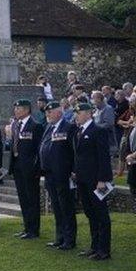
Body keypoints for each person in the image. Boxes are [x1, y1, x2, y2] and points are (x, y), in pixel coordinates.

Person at [72, 103, 113, 260]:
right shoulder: (79, 131)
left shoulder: (98, 131)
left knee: (101, 214)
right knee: (90, 213)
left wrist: (102, 179)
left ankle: (104, 249)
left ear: (88, 114)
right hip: (83, 179)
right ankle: (94, 246)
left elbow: (103, 157)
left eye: (79, 113)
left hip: (96, 180)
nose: (76, 115)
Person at [39, 102, 77, 250]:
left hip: (63, 174)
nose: (47, 115)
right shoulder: (49, 127)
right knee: (56, 206)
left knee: (66, 207)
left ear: (59, 113)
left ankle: (69, 239)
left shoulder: (69, 128)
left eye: (50, 112)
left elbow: (73, 152)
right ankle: (60, 237)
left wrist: (73, 171)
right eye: (46, 112)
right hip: (50, 173)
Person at [9, 99, 43, 239]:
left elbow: (39, 150)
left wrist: (37, 168)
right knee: (23, 198)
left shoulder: (35, 126)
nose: (16, 111)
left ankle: (33, 229)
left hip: (30, 168)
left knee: (32, 198)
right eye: (15, 109)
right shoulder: (16, 125)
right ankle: (27, 227)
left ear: (27, 110)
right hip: (17, 165)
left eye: (19, 109)